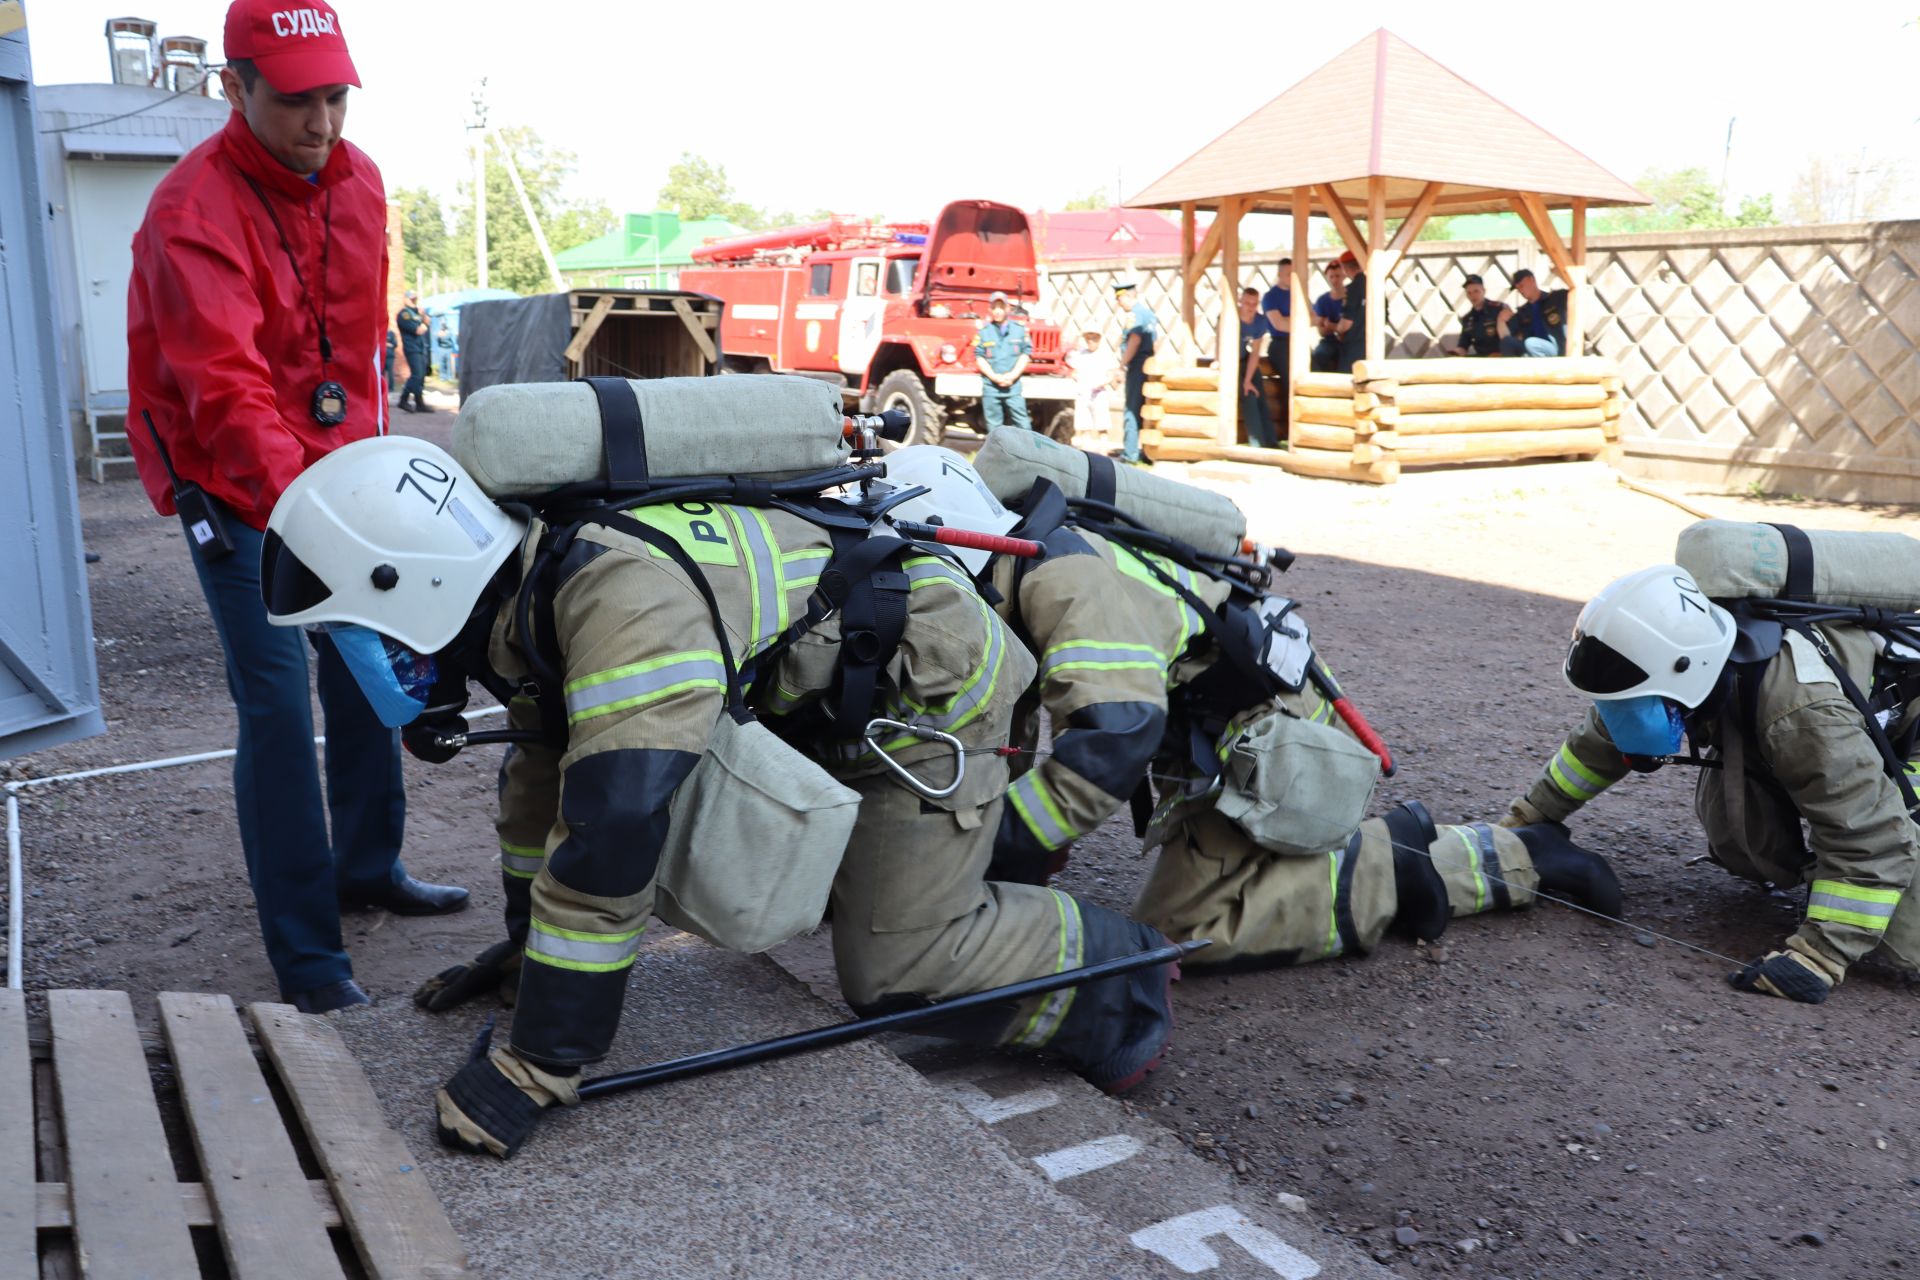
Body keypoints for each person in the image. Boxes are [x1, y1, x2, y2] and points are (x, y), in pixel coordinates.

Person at [263, 430, 1181, 1158]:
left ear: (414, 582)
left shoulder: (622, 605)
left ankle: (1124, 977)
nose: (360, 660)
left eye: (357, 632)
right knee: (706, 842)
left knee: (899, 966)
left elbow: (613, 830)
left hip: (932, 698)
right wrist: (522, 952)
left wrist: (542, 1061)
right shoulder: (532, 589)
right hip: (830, 700)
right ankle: (928, 890)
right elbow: (543, 783)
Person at [931, 443, 1623, 972]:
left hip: (1261, 729)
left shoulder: (1065, 580)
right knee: (1213, 895)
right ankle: (1402, 849)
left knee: (1184, 929)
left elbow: (1115, 735)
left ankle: (1441, 865)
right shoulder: (1016, 568)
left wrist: (1010, 843)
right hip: (1206, 720)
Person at [125, 0, 463, 1017]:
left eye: (336, 98)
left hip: (331, 476)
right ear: (234, 88)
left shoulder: (358, 183)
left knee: (366, 676)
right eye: (296, 102)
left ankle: (370, 866)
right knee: (277, 707)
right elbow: (224, 393)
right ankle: (310, 958)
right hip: (230, 486)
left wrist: (367, 486)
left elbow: (353, 360)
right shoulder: (191, 215)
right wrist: (317, 517)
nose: (322, 125)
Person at [1505, 549, 1920, 1005]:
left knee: (1904, 930)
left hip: (1903, 742)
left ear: (1688, 671)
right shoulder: (1669, 670)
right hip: (1846, 736)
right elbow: (1595, 745)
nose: (1625, 714)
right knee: (1740, 833)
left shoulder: (1798, 715)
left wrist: (1817, 958)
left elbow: (1874, 838)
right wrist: (1527, 820)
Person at [973, 291, 1032, 429]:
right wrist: (994, 377)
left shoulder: (1020, 330)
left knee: (1023, 424)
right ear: (990, 310)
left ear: (1008, 308)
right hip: (991, 387)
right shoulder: (984, 332)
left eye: (1001, 307)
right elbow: (979, 357)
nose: (997, 311)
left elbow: (1026, 354)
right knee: (994, 428)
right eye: (994, 308)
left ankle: (1029, 450)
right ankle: (997, 451)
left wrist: (1012, 376)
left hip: (1013, 386)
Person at [1115, 281, 1158, 466]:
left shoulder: (1134, 315)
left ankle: (1130, 453)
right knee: (1146, 408)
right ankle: (1147, 451)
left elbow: (1134, 340)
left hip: (1137, 365)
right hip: (1149, 365)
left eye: (1119, 299)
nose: (1118, 303)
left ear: (1127, 296)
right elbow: (1155, 342)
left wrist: (1122, 365)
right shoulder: (1149, 314)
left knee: (1132, 409)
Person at [1237, 287, 1277, 449]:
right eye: (1247, 303)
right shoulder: (1230, 317)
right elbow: (1221, 342)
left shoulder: (1260, 321)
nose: (1250, 307)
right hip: (1231, 360)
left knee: (1259, 392)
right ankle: (1257, 443)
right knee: (1249, 396)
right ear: (1240, 302)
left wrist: (1248, 379)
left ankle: (1271, 441)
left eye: (1254, 304)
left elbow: (1255, 353)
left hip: (1246, 359)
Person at [1498, 269, 1568, 357]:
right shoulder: (1523, 312)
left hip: (1556, 348)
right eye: (1517, 288)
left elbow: (1576, 290)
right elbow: (1506, 336)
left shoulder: (1554, 299)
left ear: (1532, 280)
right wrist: (1501, 320)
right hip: (1531, 352)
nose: (1520, 290)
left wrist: (1560, 272)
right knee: (1508, 342)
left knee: (1531, 343)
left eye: (1521, 285)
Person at [1068, 330, 1119, 442]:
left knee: (1102, 425)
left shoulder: (1105, 355)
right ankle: (1087, 452)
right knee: (1084, 426)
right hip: (1084, 393)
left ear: (1099, 339)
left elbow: (1111, 375)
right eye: (1088, 339)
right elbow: (1074, 372)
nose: (1090, 342)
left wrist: (1100, 383)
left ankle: (1103, 450)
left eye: (1094, 339)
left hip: (1099, 393)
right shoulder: (1080, 354)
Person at [1447, 274, 1509, 357]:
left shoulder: (1498, 309)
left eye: (1476, 291)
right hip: (1481, 358)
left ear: (1484, 291)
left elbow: (1512, 337)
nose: (1473, 296)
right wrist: (1456, 352)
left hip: (1502, 356)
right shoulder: (1468, 319)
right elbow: (1463, 345)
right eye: (1469, 293)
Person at [396, 289, 432, 412]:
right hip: (412, 348)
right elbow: (418, 330)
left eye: (415, 298)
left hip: (421, 348)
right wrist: (425, 323)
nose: (414, 301)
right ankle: (403, 400)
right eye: (411, 298)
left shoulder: (416, 313)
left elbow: (426, 321)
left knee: (421, 376)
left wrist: (423, 317)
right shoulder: (404, 314)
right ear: (405, 299)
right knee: (416, 375)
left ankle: (419, 402)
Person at [1309, 259, 1346, 373]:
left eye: (1337, 276)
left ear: (1344, 276)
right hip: (1329, 341)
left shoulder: (1351, 296)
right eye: (1331, 277)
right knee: (1318, 357)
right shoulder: (1322, 301)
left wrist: (1330, 325)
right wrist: (1336, 327)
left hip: (1348, 342)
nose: (1335, 280)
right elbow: (1321, 331)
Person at [1333, 250, 1366, 373]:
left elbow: (1346, 324)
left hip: (1354, 346)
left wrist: (1335, 328)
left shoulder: (1352, 289)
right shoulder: (1376, 286)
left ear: (1345, 268)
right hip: (1374, 346)